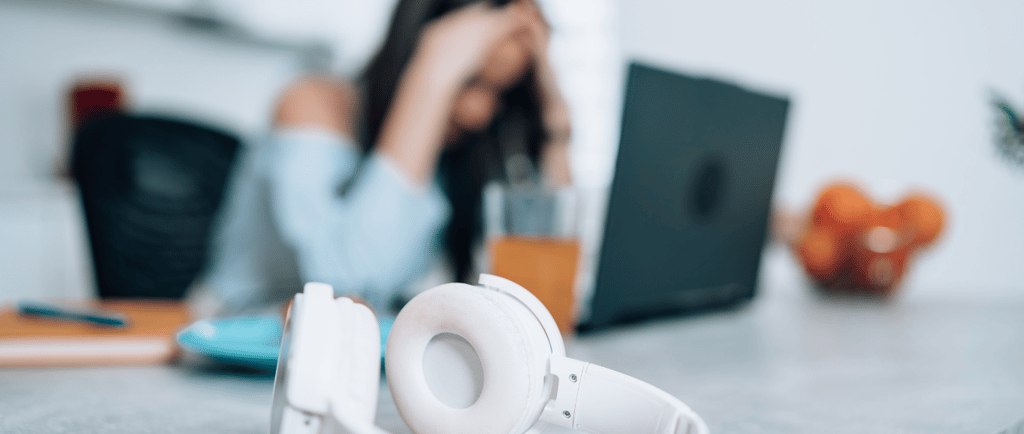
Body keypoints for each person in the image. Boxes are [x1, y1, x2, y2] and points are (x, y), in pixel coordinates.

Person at [189, 0, 572, 316]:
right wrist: (432, 76)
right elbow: (349, 289)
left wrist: (555, 122)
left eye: (500, 92)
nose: (479, 112)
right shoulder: (312, 102)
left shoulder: (450, 150)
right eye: (468, 79)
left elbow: (547, 289)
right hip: (236, 352)